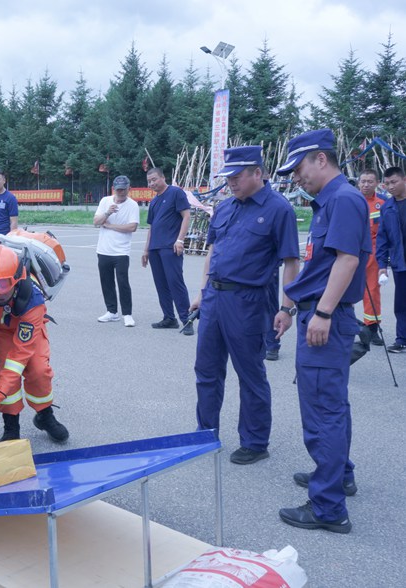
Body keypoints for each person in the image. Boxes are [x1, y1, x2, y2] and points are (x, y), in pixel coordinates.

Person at [274, 128, 370, 534]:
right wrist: (291, 305)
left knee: (322, 410)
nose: (296, 177)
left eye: (298, 169)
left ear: (320, 158)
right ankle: (339, 474)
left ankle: (327, 507)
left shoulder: (344, 199)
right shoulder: (332, 200)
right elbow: (321, 265)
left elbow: (348, 261)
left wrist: (324, 312)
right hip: (319, 311)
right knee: (333, 404)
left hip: (327, 317)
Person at [189, 146, 299, 466]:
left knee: (249, 372)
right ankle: (204, 432)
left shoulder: (279, 209)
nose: (231, 183)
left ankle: (254, 440)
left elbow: (291, 261)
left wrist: (286, 307)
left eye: (237, 176)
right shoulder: (224, 207)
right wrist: (202, 290)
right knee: (207, 370)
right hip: (215, 298)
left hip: (249, 301)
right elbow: (213, 251)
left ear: (258, 173)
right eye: (228, 177)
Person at [0, 245, 69, 442]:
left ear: (17, 279)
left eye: (3, 284)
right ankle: (11, 426)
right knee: (6, 372)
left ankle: (45, 415)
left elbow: (20, 354)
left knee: (38, 370)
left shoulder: (33, 299)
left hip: (27, 329)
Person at [141, 167, 193, 334]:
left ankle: (186, 319)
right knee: (161, 284)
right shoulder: (155, 201)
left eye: (154, 179)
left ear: (163, 177)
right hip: (155, 248)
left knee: (175, 282)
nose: (152, 183)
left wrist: (180, 240)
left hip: (170, 247)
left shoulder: (176, 193)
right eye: (149, 181)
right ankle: (169, 318)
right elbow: (151, 226)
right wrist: (146, 250)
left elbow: (186, 216)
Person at [93, 175, 140, 326]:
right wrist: (107, 213)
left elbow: (132, 227)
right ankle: (112, 312)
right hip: (104, 250)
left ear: (129, 188)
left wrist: (110, 225)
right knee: (106, 282)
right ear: (113, 189)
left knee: (123, 282)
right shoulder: (105, 201)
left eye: (123, 190)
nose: (121, 193)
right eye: (118, 190)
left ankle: (127, 314)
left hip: (121, 251)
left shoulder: (132, 205)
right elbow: (96, 222)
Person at [375, 167, 406, 352]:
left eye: (394, 182)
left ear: (404, 179)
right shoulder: (387, 207)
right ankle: (401, 339)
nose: (390, 187)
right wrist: (382, 265)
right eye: (386, 184)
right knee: (401, 303)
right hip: (400, 263)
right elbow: (382, 238)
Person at [358, 169, 386, 346]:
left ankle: (372, 327)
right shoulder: (350, 200)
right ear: (358, 183)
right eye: (363, 181)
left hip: (373, 253)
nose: (366, 185)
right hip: (351, 251)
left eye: (370, 181)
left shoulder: (383, 203)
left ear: (377, 183)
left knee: (372, 292)